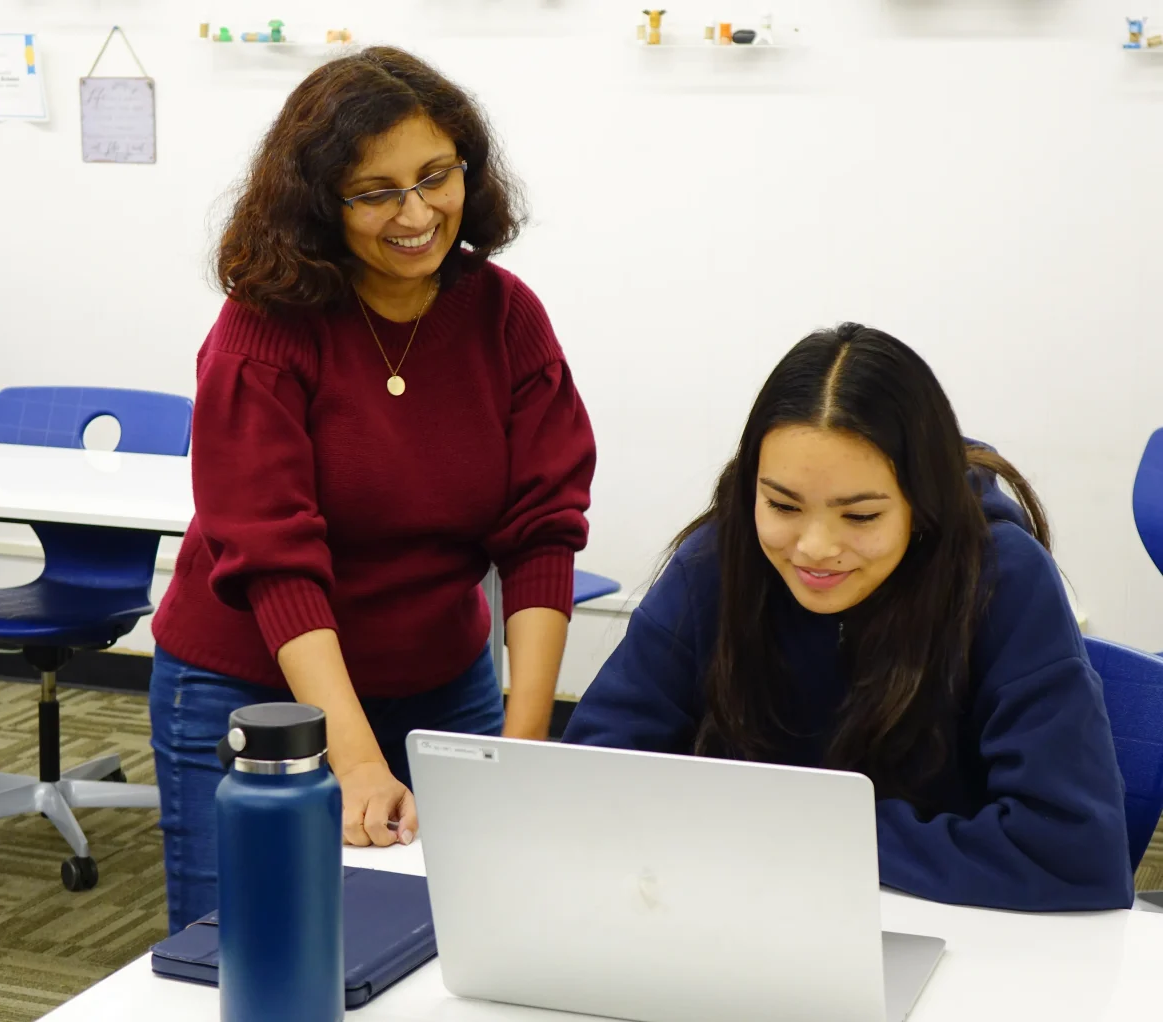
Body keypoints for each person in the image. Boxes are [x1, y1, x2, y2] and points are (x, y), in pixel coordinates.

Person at [150, 47, 596, 933]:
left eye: (437, 176)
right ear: (320, 202)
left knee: (462, 934)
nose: (417, 212)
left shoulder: (505, 316)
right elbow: (276, 559)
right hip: (257, 688)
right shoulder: (263, 332)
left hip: (442, 681)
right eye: (376, 191)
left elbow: (544, 529)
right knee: (248, 949)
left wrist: (525, 738)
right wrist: (348, 754)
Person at [563, 324, 1134, 912]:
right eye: (782, 505)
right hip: (737, 921)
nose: (813, 547)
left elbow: (1075, 853)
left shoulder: (1003, 579)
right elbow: (588, 780)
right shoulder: (718, 558)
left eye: (859, 516)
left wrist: (803, 832)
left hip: (953, 936)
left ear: (924, 503)